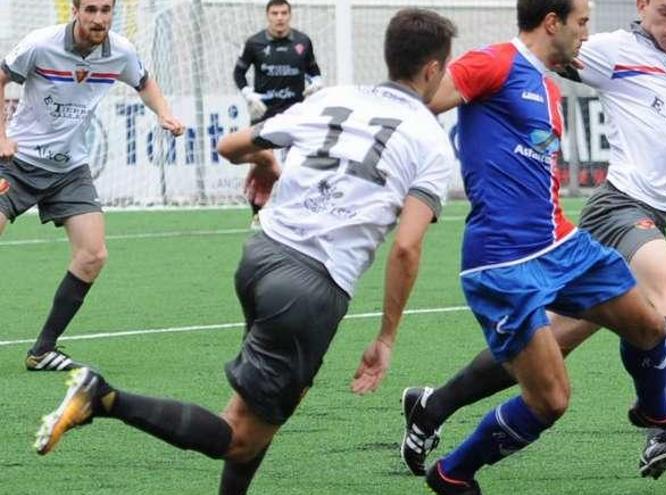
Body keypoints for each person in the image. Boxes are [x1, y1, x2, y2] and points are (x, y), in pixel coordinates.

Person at [33, 8, 458, 494]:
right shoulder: (429, 138)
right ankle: (103, 398)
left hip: (260, 256)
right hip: (310, 289)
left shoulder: (336, 97)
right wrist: (385, 338)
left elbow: (231, 146)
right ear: (432, 70)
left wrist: (266, 165)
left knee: (270, 408)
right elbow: (406, 246)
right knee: (239, 435)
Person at [401, 0, 666, 483]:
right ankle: (660, 427)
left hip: (617, 225)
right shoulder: (605, 50)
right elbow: (517, 59)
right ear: (642, 4)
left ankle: (433, 406)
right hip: (620, 208)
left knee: (555, 342)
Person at [0, 0, 185, 372]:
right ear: (75, 10)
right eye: (91, 10)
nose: (99, 18)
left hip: (70, 169)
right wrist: (1, 135)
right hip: (17, 162)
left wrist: (164, 113)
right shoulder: (40, 44)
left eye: (106, 10)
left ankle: (42, 351)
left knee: (93, 255)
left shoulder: (121, 51)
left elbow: (145, 82)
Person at [234, 0, 323, 226]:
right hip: (265, 113)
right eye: (275, 13)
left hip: (296, 113)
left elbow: (313, 69)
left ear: (290, 15)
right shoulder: (255, 43)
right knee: (263, 163)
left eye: (284, 13)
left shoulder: (303, 42)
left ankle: (300, 212)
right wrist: (248, 94)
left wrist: (317, 83)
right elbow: (239, 72)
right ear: (268, 16)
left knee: (300, 164)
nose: (280, 17)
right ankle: (257, 213)